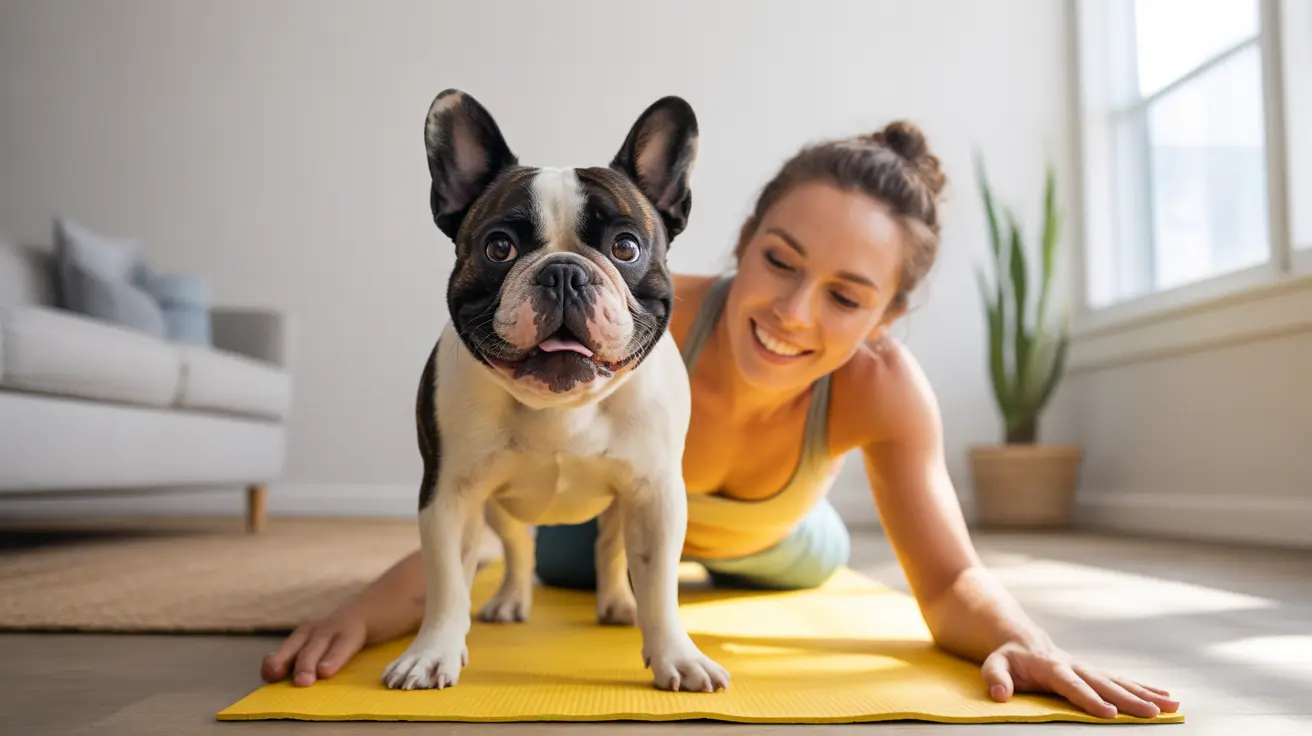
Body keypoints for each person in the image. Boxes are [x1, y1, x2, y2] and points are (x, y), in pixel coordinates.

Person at [260, 121, 1179, 720]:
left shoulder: (882, 388)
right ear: (734, 241)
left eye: (848, 297)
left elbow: (949, 581)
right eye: (779, 261)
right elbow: (471, 494)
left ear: (887, 321)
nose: (793, 312)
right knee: (534, 526)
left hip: (780, 542)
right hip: (582, 526)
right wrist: (383, 606)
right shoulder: (627, 303)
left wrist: (1029, 637)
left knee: (812, 553)